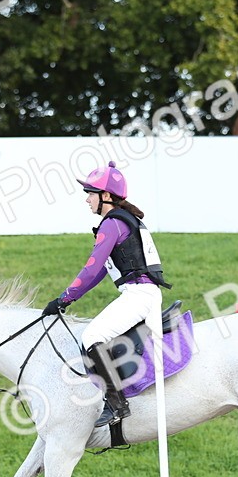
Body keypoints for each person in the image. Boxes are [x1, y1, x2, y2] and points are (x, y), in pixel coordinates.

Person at [42, 161, 171, 427]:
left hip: (139, 294)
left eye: (90, 193)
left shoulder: (112, 223)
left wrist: (64, 299)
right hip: (141, 293)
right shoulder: (122, 220)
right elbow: (101, 271)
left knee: (91, 336)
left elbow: (90, 269)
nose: (87, 199)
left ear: (107, 196)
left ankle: (116, 404)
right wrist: (69, 298)